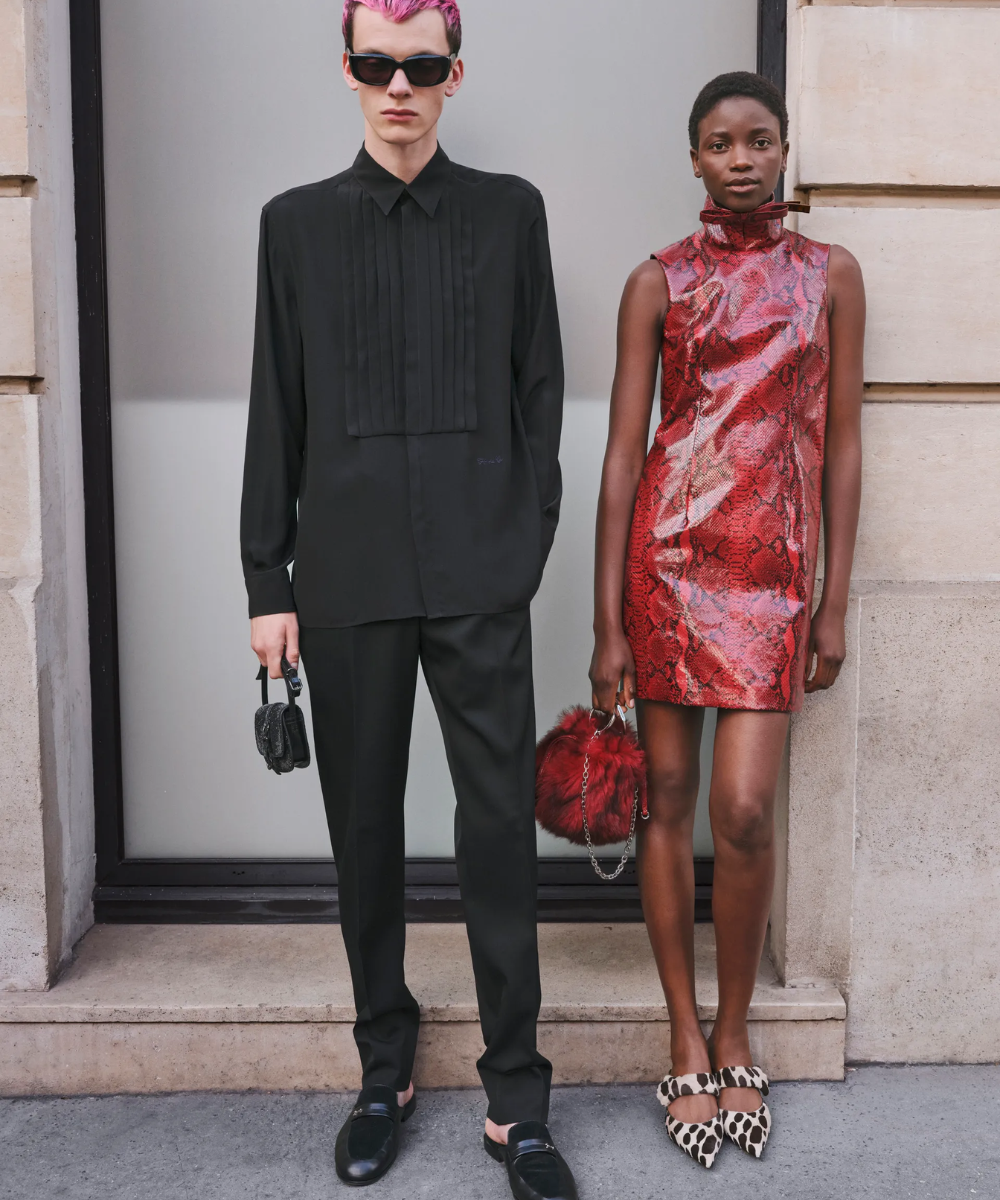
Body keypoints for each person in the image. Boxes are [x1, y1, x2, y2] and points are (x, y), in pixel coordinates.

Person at [240, 3, 576, 1197]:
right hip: (344, 579)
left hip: (482, 576)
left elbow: (541, 387)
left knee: (495, 833)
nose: (398, 85)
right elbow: (274, 408)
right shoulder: (293, 228)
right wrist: (263, 579)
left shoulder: (509, 211)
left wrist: (524, 542)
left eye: (419, 65)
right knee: (363, 836)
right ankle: (383, 1072)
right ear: (347, 72)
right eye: (376, 64)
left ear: (453, 75)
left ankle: (515, 1100)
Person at [590, 71, 865, 1168]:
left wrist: (831, 598)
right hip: (667, 565)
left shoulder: (829, 278)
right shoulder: (656, 282)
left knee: (742, 809)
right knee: (665, 802)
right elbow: (621, 451)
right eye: (719, 142)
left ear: (785, 150)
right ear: (693, 157)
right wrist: (607, 618)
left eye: (759, 140)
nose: (741, 159)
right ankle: (682, 1031)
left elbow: (842, 443)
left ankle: (739, 1023)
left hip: (772, 579)